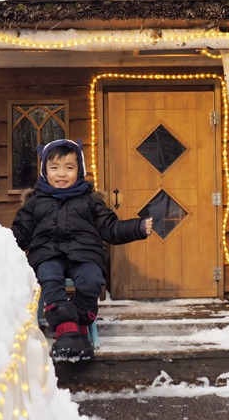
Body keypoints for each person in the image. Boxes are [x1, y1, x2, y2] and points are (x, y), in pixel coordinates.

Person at [12, 139, 153, 361]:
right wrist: (2, 239)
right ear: (44, 171)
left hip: (85, 254)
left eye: (69, 168)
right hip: (47, 253)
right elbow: (20, 232)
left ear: (79, 171)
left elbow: (111, 228)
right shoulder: (35, 202)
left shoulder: (90, 200)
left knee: (91, 278)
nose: (61, 174)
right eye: (54, 168)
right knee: (49, 277)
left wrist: (136, 227)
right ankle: (69, 328)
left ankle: (74, 323)